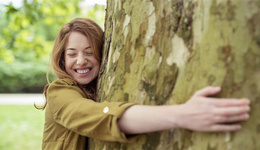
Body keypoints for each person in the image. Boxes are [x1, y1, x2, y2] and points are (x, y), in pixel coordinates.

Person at [36, 18, 250, 150]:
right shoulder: (59, 92)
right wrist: (183, 114)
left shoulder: (99, 88)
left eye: (90, 52)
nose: (81, 60)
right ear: (61, 59)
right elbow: (93, 115)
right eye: (72, 54)